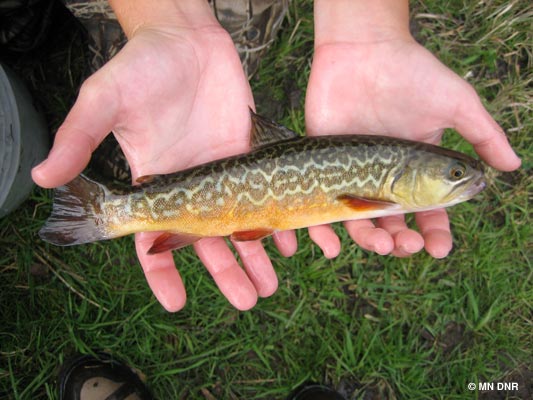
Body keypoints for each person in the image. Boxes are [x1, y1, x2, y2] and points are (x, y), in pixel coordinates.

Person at [31, 0, 521, 315]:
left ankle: (115, 208)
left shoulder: (380, 190)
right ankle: (112, 210)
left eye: (456, 174)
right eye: (455, 174)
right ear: (401, 177)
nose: (466, 179)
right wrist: (165, 23)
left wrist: (371, 24)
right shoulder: (372, 197)